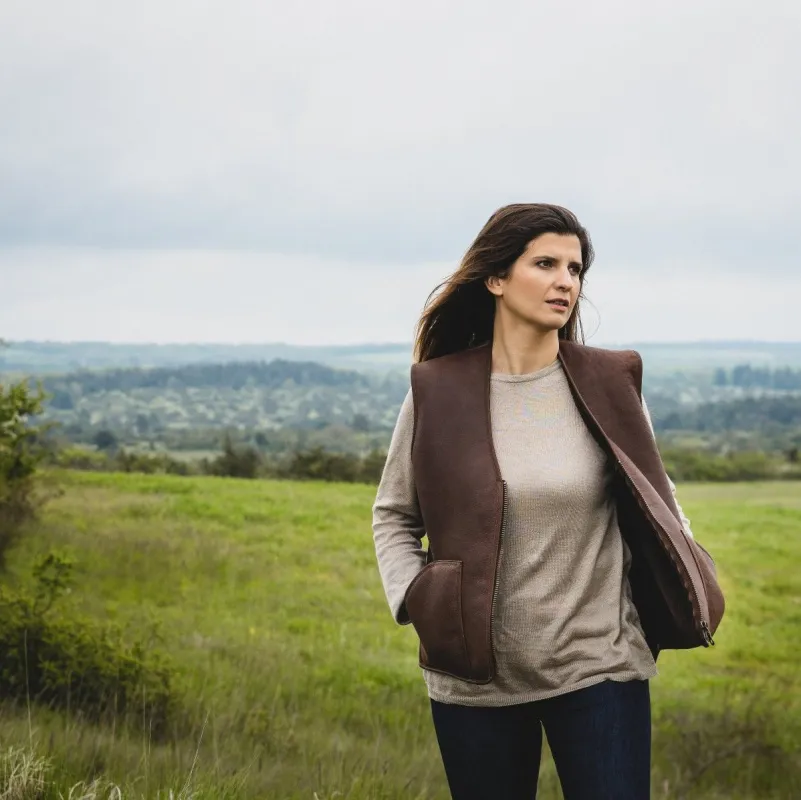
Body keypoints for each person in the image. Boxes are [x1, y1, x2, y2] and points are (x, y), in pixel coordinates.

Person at [371, 203, 724, 800]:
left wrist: (684, 561)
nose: (567, 281)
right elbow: (395, 514)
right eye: (546, 264)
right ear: (497, 279)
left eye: (575, 268)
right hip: (474, 677)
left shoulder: (609, 384)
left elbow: (657, 498)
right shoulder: (438, 392)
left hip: (600, 665)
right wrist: (414, 597)